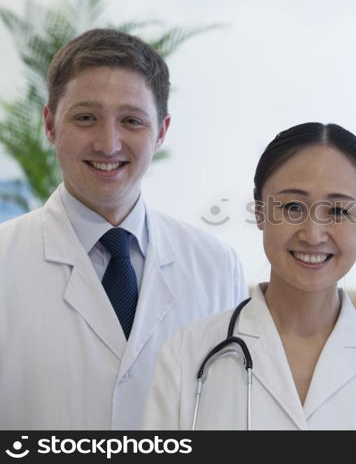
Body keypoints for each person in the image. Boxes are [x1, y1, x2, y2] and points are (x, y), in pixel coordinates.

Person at [0, 28, 246, 429]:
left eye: (131, 120)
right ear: (49, 124)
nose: (108, 143)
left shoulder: (217, 267)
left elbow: (227, 416)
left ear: (161, 131)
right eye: (85, 118)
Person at [143, 123, 356, 430]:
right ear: (260, 212)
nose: (313, 235)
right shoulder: (186, 354)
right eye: (293, 207)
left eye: (338, 211)